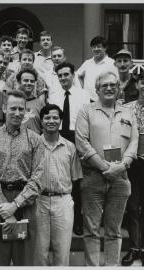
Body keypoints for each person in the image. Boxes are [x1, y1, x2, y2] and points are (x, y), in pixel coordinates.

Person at [75, 71, 139, 266]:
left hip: (121, 178)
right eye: (105, 86)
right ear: (97, 90)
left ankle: (111, 266)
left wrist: (121, 166)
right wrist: (105, 167)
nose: (109, 88)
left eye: (113, 85)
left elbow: (134, 142)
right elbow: (82, 142)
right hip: (93, 176)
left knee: (114, 230)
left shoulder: (128, 113)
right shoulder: (86, 111)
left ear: (119, 89)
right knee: (92, 229)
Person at [0, 90, 45, 266]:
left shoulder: (35, 140)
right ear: (4, 108)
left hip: (26, 202)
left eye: (21, 109)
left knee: (25, 259)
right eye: (13, 108)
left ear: (26, 111)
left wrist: (16, 205)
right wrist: (5, 208)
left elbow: (38, 176)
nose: (17, 113)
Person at [34, 104, 83, 266]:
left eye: (55, 117)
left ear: (61, 121)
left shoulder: (70, 147)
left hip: (62, 202)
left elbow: (76, 178)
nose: (51, 121)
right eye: (47, 117)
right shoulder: (33, 145)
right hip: (38, 201)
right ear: (41, 120)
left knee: (62, 251)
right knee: (39, 252)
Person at [49, 62, 90, 236]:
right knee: (59, 177)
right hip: (59, 136)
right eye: (60, 76)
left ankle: (78, 222)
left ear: (73, 75)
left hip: (78, 136)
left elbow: (87, 118)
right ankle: (58, 220)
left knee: (76, 180)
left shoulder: (84, 94)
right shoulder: (54, 96)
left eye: (66, 74)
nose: (63, 78)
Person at [121, 73, 144, 266]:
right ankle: (134, 247)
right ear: (137, 84)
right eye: (143, 82)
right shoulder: (127, 108)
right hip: (134, 163)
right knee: (133, 207)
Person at [77, 36, 118, 102]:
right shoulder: (87, 63)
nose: (96, 49)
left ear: (105, 48)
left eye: (99, 46)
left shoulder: (112, 63)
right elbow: (78, 76)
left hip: (104, 101)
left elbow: (117, 82)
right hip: (87, 101)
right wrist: (82, 90)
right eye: (93, 47)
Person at [16, 67, 45, 134]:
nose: (29, 83)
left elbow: (45, 127)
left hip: (35, 142)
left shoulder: (40, 103)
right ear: (19, 82)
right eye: (26, 80)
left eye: (32, 81)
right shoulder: (12, 102)